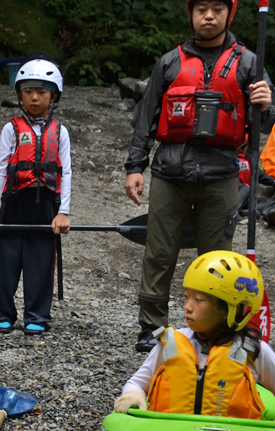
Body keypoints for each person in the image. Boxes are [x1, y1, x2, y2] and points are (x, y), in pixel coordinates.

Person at [124, 0, 275, 353]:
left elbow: (265, 124)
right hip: (169, 174)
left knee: (216, 259)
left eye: (217, 9)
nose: (209, 16)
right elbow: (145, 119)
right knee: (159, 253)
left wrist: (267, 104)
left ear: (229, 14)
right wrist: (135, 167)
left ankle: (213, 330)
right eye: (202, 9)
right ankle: (152, 328)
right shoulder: (170, 62)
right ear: (190, 13)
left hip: (221, 175)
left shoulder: (250, 63)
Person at [115, 251, 274, 419]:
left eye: (198, 299)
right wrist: (134, 395)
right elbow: (137, 383)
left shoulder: (255, 351)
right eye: (186, 297)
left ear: (230, 309)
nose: (187, 307)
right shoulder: (171, 345)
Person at [0, 58, 72, 336]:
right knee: (6, 258)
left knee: (40, 258)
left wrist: (64, 211)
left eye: (42, 92)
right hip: (15, 200)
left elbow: (66, 172)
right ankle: (3, 313)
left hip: (45, 203)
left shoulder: (60, 132)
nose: (34, 98)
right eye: (28, 92)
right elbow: (1, 167)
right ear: (20, 95)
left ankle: (37, 314)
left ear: (54, 96)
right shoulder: (10, 129)